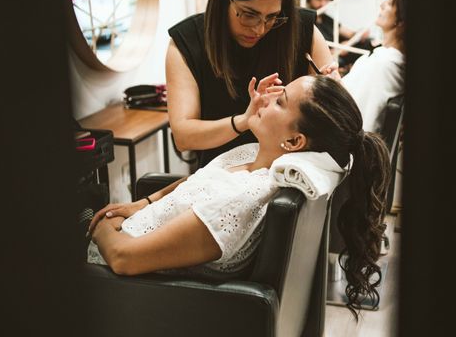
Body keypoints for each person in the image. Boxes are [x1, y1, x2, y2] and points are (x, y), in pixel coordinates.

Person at [87, 74, 391, 316]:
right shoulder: (252, 154)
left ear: (295, 140)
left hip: (115, 284)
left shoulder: (243, 200)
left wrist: (100, 223)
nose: (266, 97)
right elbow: (196, 181)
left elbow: (124, 259)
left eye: (280, 102)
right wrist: (145, 202)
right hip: (119, 245)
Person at [167, 0, 339, 169]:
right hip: (221, 180)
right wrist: (243, 121)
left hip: (289, 179)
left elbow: (336, 123)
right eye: (249, 15)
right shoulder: (187, 43)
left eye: (272, 17)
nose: (259, 29)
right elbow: (183, 137)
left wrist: (334, 94)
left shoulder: (299, 31)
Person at [342, 0, 407, 133]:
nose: (382, 4)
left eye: (390, 3)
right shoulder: (383, 58)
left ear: (402, 22)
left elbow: (363, 121)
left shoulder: (384, 65)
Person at [305, 0, 374, 72]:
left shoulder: (327, 19)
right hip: (325, 59)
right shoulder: (306, 19)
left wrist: (360, 33)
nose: (323, 4)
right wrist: (339, 50)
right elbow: (310, 52)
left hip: (340, 53)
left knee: (370, 43)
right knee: (339, 61)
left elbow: (350, 33)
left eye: (327, 0)